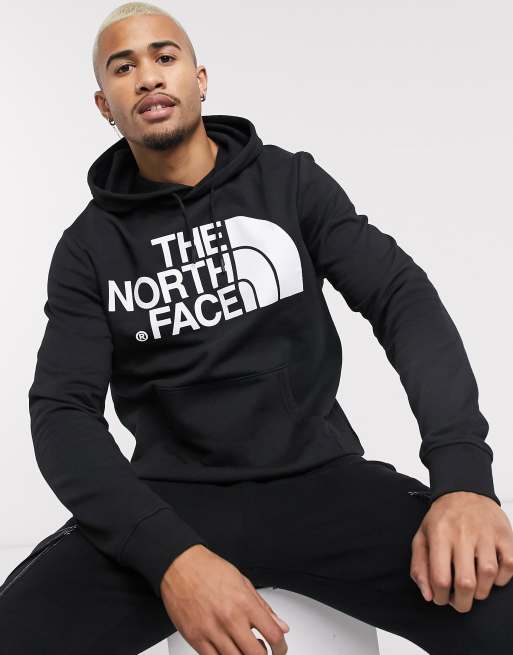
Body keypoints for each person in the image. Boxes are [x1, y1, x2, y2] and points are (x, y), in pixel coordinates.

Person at [1, 2, 512, 653]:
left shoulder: (289, 183)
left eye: (164, 57)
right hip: (172, 501)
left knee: (498, 605)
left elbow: (400, 299)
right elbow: (61, 412)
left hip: (320, 483)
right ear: (105, 105)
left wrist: (463, 478)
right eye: (123, 68)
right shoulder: (88, 248)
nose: (148, 76)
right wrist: (169, 557)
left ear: (199, 79)